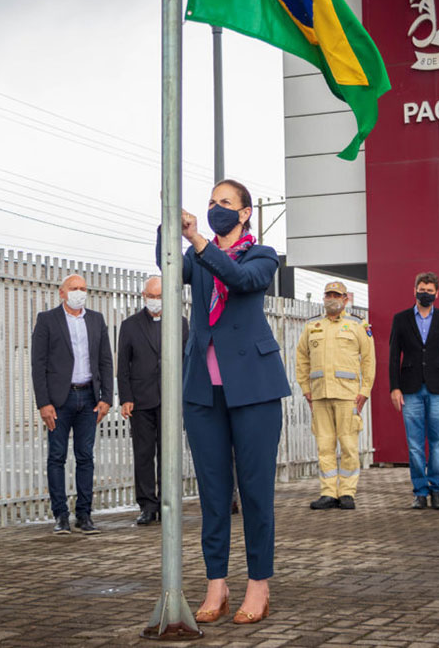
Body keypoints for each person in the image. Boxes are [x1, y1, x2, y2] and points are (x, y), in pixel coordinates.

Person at [164, 179, 290, 626]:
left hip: (254, 387)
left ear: (244, 213)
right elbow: (167, 268)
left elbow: (239, 280)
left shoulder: (263, 254)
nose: (216, 209)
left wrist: (199, 239)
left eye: (225, 203)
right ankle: (216, 580)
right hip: (203, 388)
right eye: (211, 202)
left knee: (255, 493)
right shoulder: (195, 256)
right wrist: (170, 225)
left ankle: (259, 583)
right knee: (213, 495)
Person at [31, 273, 113, 535]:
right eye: (74, 288)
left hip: (88, 397)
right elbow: (38, 364)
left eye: (83, 288)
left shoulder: (96, 320)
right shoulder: (47, 320)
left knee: (85, 456)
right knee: (56, 457)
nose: (79, 292)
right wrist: (43, 403)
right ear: (62, 292)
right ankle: (60, 516)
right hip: (59, 400)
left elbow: (105, 361)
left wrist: (106, 399)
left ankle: (84, 515)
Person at [296, 281, 375, 511]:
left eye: (336, 295)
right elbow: (302, 358)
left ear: (345, 299)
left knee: (349, 445)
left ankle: (347, 492)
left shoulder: (358, 325)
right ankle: (328, 492)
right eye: (328, 294)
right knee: (324, 446)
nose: (332, 298)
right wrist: (305, 388)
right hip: (320, 395)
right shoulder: (312, 325)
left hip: (347, 395)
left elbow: (369, 360)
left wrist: (365, 391)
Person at [117, 275, 188, 526]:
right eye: (151, 296)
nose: (155, 301)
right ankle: (147, 505)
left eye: (159, 297)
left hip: (170, 399)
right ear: (144, 296)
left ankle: (168, 503)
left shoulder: (180, 324)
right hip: (141, 400)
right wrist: (126, 398)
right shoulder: (130, 325)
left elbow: (187, 362)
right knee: (144, 454)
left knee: (169, 454)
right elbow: (122, 366)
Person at [388, 272, 439, 509]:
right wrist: (394, 388)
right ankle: (419, 491)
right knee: (415, 444)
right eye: (421, 289)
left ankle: (437, 490)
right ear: (414, 290)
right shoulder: (401, 319)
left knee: (438, 442)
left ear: (437, 294)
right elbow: (392, 356)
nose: (425, 293)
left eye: (430, 290)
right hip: (409, 389)